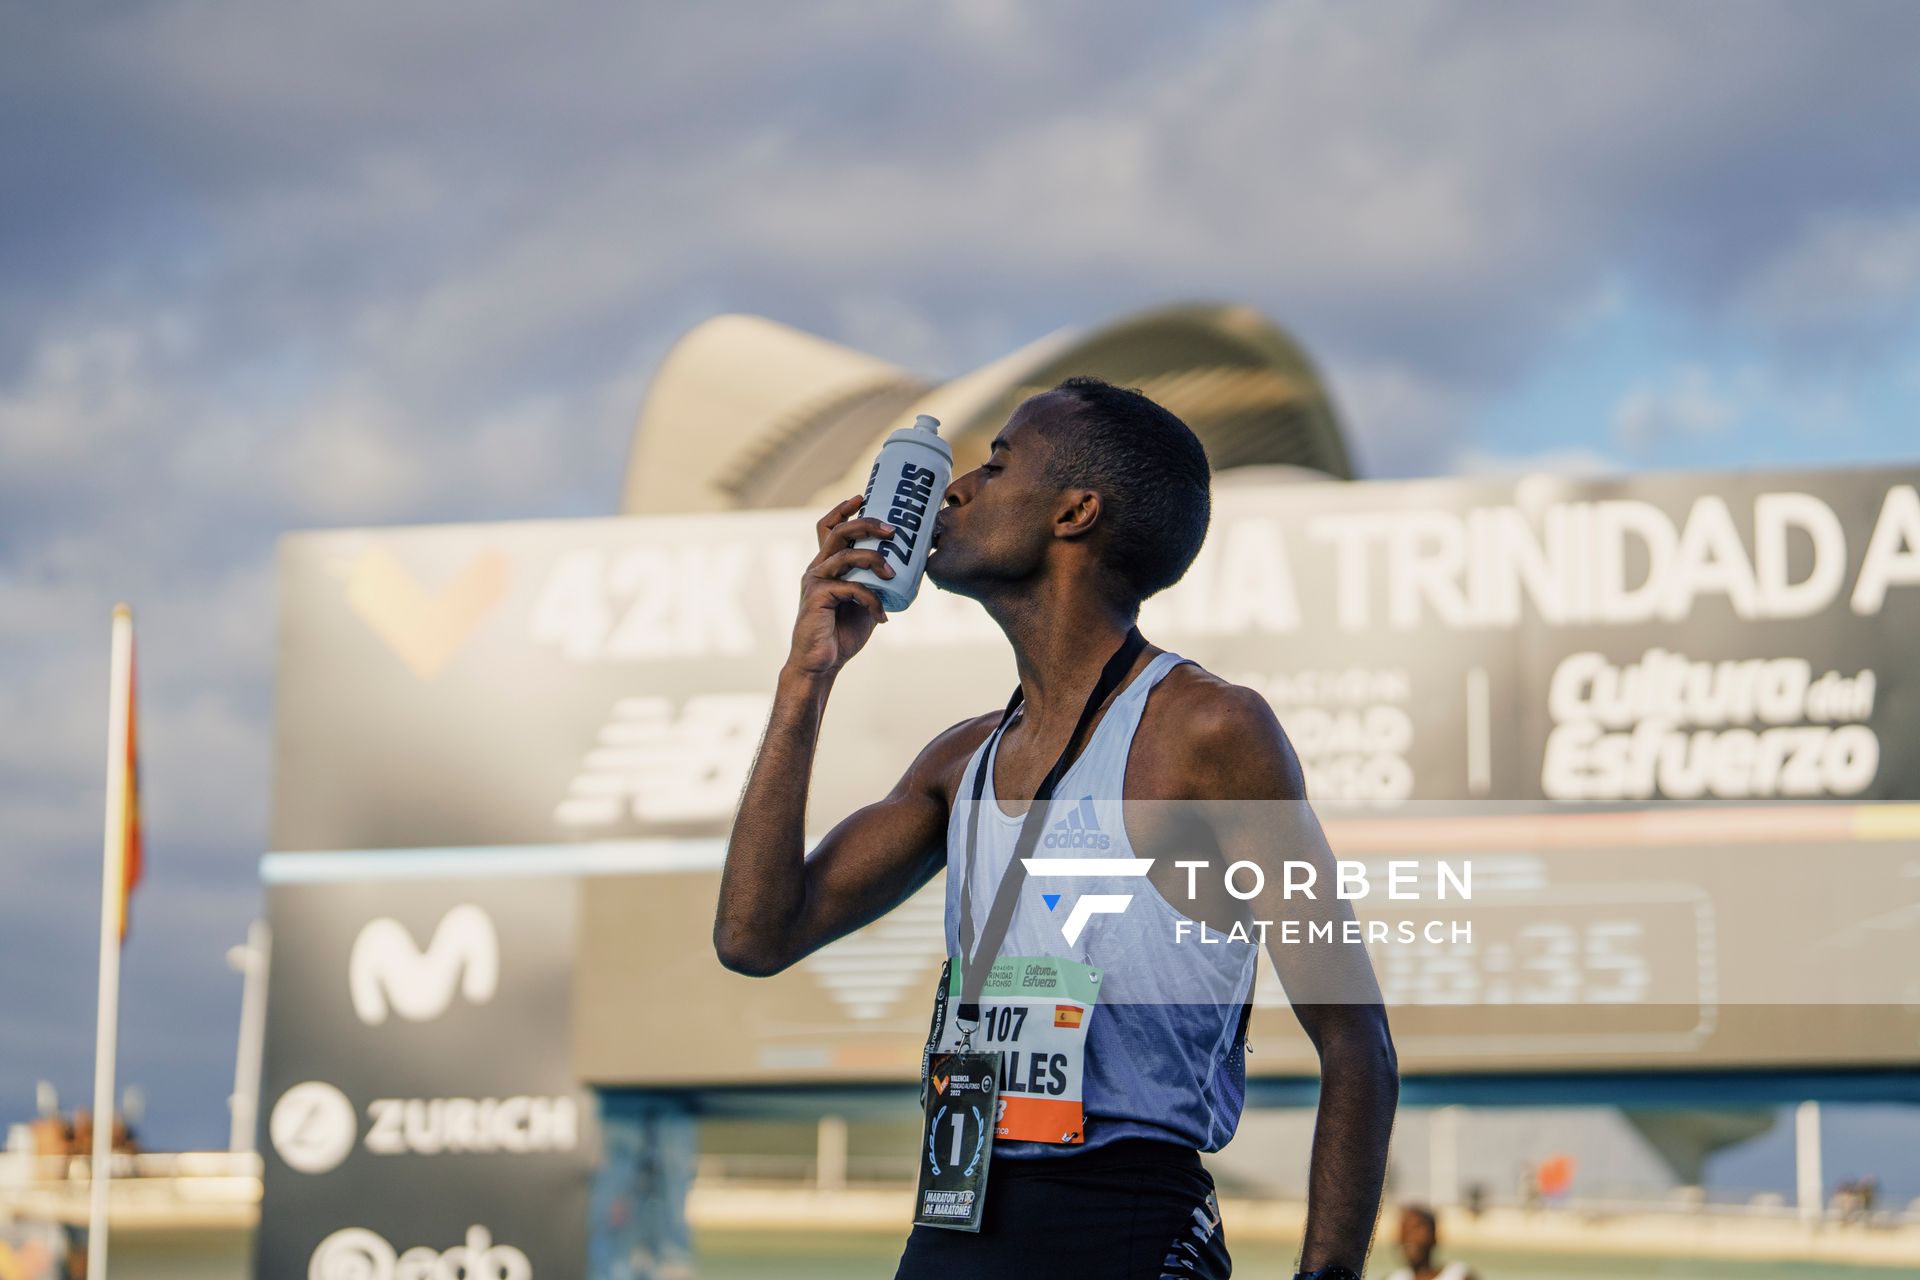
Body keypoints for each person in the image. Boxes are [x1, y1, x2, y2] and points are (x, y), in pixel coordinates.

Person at [715, 376, 1399, 1279]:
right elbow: (754, 935)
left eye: (996, 465)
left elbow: (1357, 1045)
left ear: (1075, 512)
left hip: (1122, 1224)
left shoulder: (1210, 733)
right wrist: (807, 677)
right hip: (955, 1220)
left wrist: (1327, 1277)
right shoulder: (960, 762)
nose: (954, 488)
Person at [1385, 1205, 1476, 1280]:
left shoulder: (1458, 1275)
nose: (1409, 1238)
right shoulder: (1393, 1277)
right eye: (1404, 1230)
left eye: (1416, 1229)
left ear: (1434, 1236)